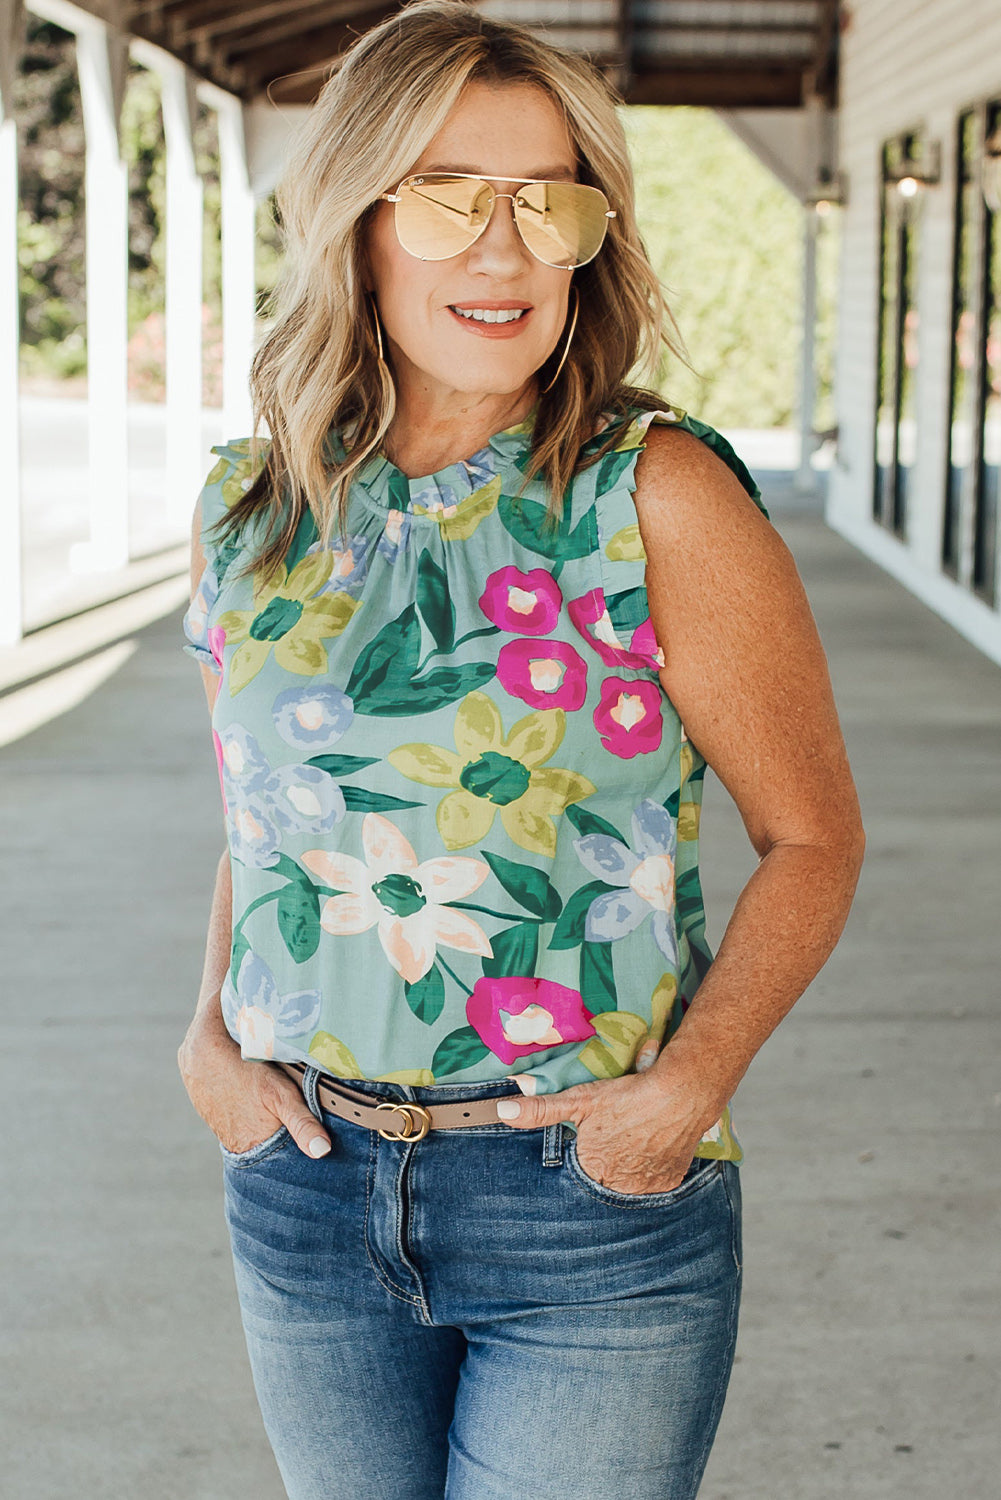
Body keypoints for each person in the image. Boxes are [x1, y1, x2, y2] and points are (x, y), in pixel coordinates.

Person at [177, 3, 865, 1496]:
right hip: (302, 1185)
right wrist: (206, 1037)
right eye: (445, 196)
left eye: (546, 201)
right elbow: (270, 823)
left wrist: (680, 1096)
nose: (501, 248)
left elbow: (813, 840)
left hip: (581, 1203)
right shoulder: (251, 505)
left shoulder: (653, 494)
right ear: (354, 217)